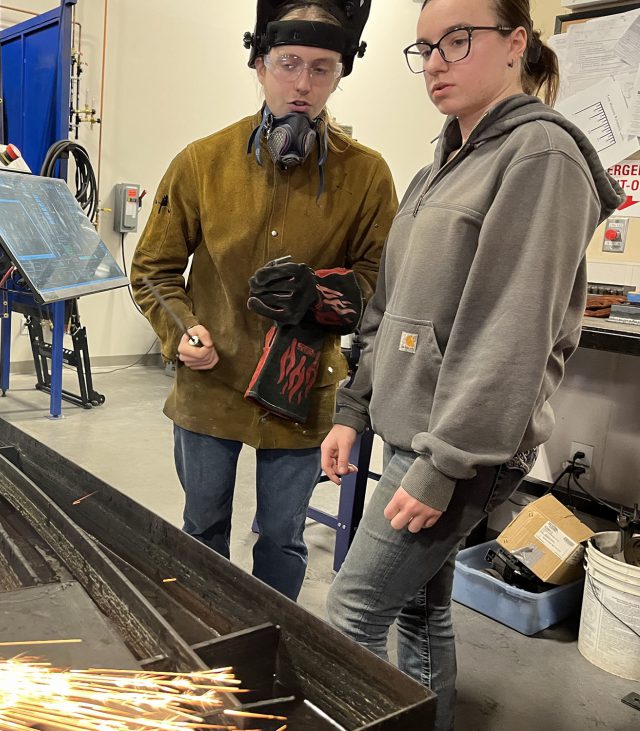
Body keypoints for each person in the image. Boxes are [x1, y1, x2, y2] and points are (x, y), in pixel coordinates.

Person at [321, 0, 624, 728]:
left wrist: (444, 463)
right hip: (412, 426)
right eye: (423, 47)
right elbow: (391, 307)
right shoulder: (443, 163)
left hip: (458, 446)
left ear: (516, 42)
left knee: (351, 610)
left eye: (457, 40)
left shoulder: (541, 157)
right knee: (422, 608)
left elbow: (510, 335)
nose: (435, 62)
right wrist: (353, 409)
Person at [130, 0, 397, 601]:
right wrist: (182, 332)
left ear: (341, 73)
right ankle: (205, 631)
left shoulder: (368, 177)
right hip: (210, 384)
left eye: (322, 68)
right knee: (202, 528)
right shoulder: (202, 163)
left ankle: (274, 640)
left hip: (300, 392)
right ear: (258, 63)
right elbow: (153, 270)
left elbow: (381, 280)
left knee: (283, 536)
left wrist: (322, 295)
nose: (303, 84)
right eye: (288, 63)